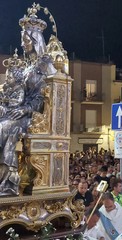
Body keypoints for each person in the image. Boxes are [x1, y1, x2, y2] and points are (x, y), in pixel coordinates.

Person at [0, 5, 56, 196]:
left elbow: (47, 94)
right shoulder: (25, 67)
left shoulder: (45, 64)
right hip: (20, 110)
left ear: (34, 39)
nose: (23, 44)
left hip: (34, 115)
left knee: (5, 128)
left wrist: (25, 110)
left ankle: (9, 182)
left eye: (25, 40)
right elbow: (16, 93)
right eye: (22, 40)